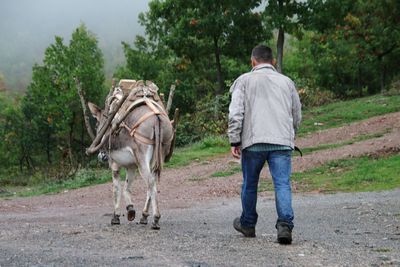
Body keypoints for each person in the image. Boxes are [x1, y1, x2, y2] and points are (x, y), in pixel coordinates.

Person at [228, 44, 301, 244]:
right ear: (273, 62)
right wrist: (290, 135)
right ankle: (285, 226)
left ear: (253, 62)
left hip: (253, 143)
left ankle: (248, 224)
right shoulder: (287, 82)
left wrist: (235, 139)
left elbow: (235, 114)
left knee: (250, 184)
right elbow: (296, 114)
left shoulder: (243, 81)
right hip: (281, 143)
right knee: (282, 184)